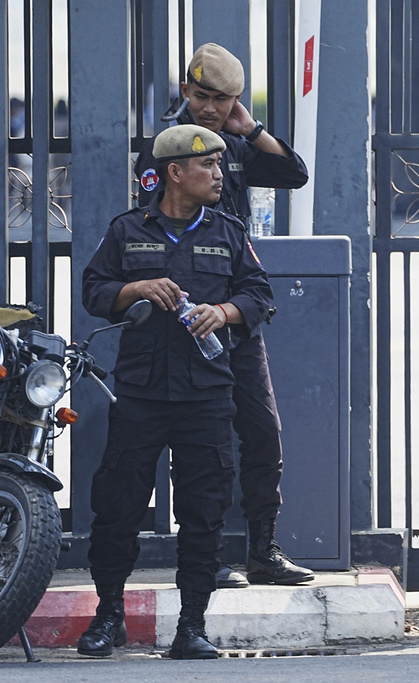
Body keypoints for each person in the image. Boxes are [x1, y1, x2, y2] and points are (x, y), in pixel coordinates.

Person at [77, 125, 273, 659]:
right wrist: (135, 288)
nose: (218, 175)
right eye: (208, 166)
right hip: (140, 393)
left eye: (219, 165)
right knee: (117, 507)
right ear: (174, 174)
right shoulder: (127, 231)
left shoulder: (229, 231)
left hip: (206, 396)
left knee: (203, 511)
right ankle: (109, 614)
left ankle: (192, 625)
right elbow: (93, 289)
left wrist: (225, 311)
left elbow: (260, 294)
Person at [134, 42, 313, 589]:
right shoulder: (165, 149)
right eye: (203, 95)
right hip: (183, 318)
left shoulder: (234, 144)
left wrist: (250, 125)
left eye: (223, 99)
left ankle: (263, 548)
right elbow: (149, 227)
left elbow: (295, 174)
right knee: (196, 446)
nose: (211, 108)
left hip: (235, 313)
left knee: (262, 432)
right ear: (186, 91)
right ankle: (204, 558)